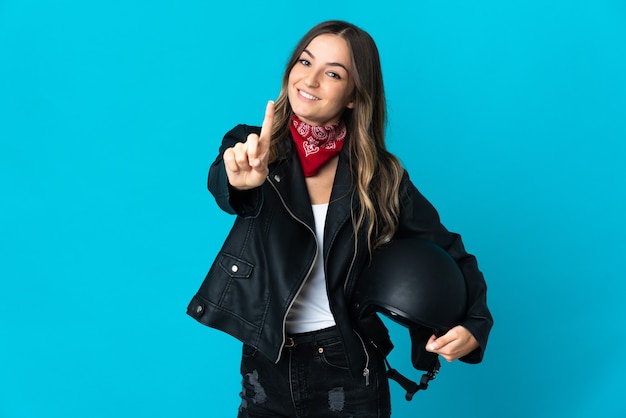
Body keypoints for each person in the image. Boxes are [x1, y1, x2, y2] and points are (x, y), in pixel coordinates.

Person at [187, 20, 493, 418]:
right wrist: (238, 179)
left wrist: (474, 325)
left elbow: (449, 251)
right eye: (304, 62)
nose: (310, 80)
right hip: (266, 359)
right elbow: (223, 183)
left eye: (333, 73)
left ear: (353, 95)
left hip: (346, 364)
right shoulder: (252, 144)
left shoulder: (379, 175)